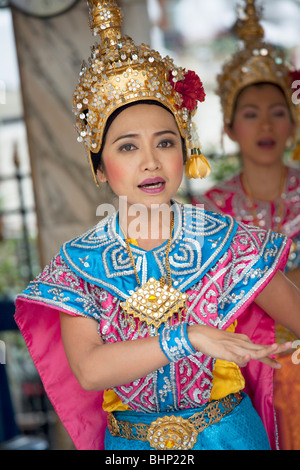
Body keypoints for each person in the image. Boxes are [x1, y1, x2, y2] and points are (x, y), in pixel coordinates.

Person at [14, 0, 299, 451]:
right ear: (100, 168)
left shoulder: (230, 242)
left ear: (184, 153)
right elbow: (89, 369)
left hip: (231, 436)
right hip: (134, 446)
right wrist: (188, 336)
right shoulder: (76, 265)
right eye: (127, 148)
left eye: (165, 142)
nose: (150, 161)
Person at [191, 0, 300, 450]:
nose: (265, 124)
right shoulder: (212, 208)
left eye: (277, 110)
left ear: (293, 121)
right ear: (231, 127)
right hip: (253, 361)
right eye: (250, 113)